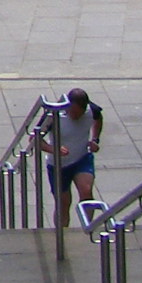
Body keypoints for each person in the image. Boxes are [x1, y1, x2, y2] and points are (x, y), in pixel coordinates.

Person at [45, 88, 104, 222]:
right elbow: (35, 139)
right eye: (73, 112)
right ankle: (62, 231)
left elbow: (98, 118)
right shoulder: (53, 116)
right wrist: (53, 149)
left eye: (80, 113)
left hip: (82, 159)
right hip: (58, 165)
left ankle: (88, 226)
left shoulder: (92, 110)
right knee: (63, 203)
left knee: (86, 192)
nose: (76, 116)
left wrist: (95, 139)